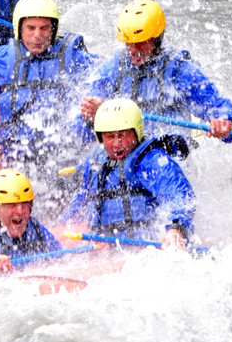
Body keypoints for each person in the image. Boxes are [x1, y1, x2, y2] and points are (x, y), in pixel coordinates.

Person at [0, 0, 97, 204]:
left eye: (44, 28)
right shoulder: (5, 58)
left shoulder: (72, 55)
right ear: (19, 29)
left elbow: (101, 76)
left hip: (63, 153)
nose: (38, 35)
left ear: (54, 29)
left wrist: (97, 105)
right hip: (18, 152)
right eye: (31, 28)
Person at [77, 0, 232, 149]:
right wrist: (92, 115)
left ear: (156, 39)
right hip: (127, 153)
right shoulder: (115, 68)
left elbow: (219, 106)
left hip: (168, 157)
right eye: (129, 43)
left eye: (140, 43)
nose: (133, 50)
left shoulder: (178, 71)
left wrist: (225, 121)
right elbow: (83, 127)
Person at [62, 99, 195, 249]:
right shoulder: (94, 161)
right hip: (103, 250)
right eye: (110, 137)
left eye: (123, 135)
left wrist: (176, 229)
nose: (117, 143)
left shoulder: (152, 160)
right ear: (100, 137)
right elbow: (83, 197)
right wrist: (64, 224)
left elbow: (180, 194)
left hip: (143, 250)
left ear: (136, 132)